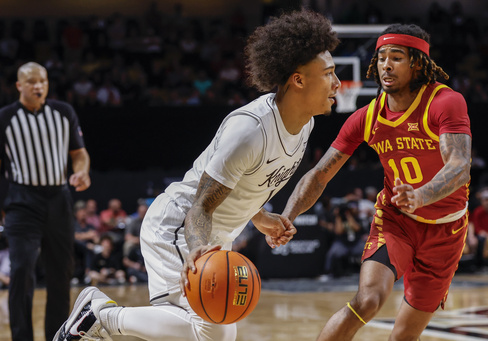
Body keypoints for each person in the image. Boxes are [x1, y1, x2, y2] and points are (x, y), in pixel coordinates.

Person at [54, 9, 340, 341]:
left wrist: (258, 217)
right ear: (299, 79)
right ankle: (100, 314)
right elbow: (200, 208)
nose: (336, 83)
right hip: (178, 230)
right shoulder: (250, 130)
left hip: (215, 238)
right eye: (329, 73)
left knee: (208, 333)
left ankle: (99, 315)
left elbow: (241, 184)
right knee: (215, 334)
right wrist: (199, 247)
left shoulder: (305, 123)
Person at [281, 23, 472, 340]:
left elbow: (460, 165)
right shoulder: (367, 117)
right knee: (367, 301)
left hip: (446, 231)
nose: (386, 64)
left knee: (403, 336)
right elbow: (320, 173)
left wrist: (421, 194)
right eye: (381, 57)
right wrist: (288, 216)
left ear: (416, 63)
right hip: (396, 221)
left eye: (396, 57)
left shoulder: (445, 102)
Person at [0, 62, 91, 341]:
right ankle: (21, 337)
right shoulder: (4, 118)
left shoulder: (64, 112)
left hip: (58, 198)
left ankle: (57, 335)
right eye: (31, 82)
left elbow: (78, 153)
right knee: (22, 269)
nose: (38, 86)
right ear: (19, 86)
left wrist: (82, 171)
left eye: (42, 81)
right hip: (21, 201)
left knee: (61, 272)